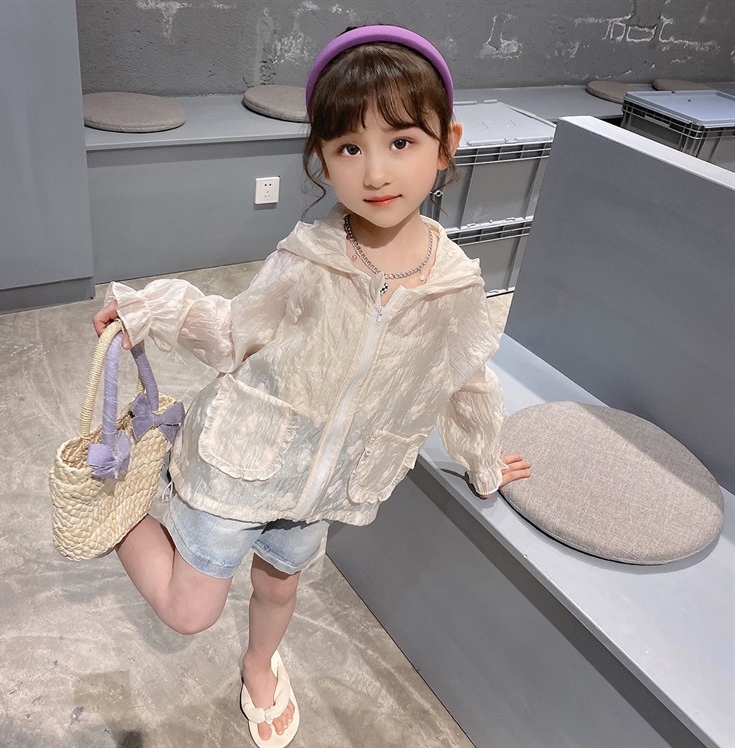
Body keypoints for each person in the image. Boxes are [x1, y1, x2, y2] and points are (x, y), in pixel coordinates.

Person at [92, 25, 530, 748]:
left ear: (445, 144)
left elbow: (465, 378)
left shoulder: (456, 283)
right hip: (240, 467)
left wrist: (484, 459)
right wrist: (152, 309)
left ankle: (258, 665)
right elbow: (231, 331)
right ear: (322, 158)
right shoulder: (308, 258)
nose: (376, 172)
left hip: (325, 488)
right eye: (349, 148)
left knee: (279, 585)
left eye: (401, 141)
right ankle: (116, 512)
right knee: (190, 610)